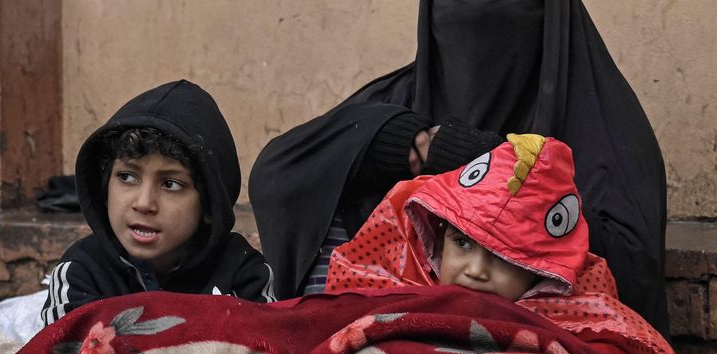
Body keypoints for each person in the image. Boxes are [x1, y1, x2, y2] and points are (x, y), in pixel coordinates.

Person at [249, 0, 671, 334]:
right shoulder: (401, 97)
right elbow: (280, 174)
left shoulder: (600, 120)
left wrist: (484, 161)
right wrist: (407, 143)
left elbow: (633, 271)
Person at [326, 134, 700, 354]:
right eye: (462, 243)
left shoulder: (587, 332)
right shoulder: (395, 288)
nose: (475, 270)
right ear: (437, 237)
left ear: (543, 273)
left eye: (504, 257)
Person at [41, 80, 276, 326]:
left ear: (209, 205)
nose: (144, 204)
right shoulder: (81, 272)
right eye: (127, 177)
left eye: (170, 184)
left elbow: (268, 345)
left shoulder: (243, 273)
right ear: (105, 189)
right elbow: (66, 347)